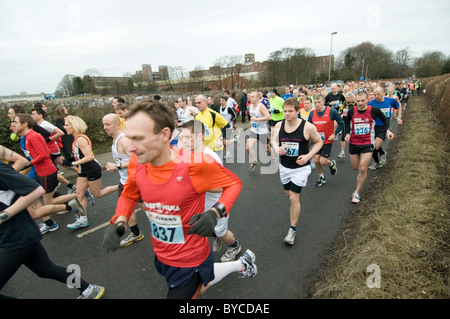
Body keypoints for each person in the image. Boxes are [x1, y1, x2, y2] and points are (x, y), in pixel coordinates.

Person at [102, 100, 256, 299]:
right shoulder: (137, 161)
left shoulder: (194, 164)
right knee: (201, 285)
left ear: (165, 134)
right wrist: (121, 220)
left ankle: (234, 263)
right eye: (129, 138)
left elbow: (234, 183)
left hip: (190, 258)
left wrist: (215, 212)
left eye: (139, 139)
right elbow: (129, 193)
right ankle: (241, 264)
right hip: (161, 252)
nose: (130, 147)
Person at [0, 161, 105, 299]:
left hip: (15, 237)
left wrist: (3, 216)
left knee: (46, 269)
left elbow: (35, 190)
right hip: (21, 235)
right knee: (45, 270)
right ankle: (89, 290)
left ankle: (71, 205)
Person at [180, 120, 242, 262]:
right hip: (199, 206)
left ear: (200, 136)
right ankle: (214, 236)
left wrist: (195, 186)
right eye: (182, 137)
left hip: (216, 207)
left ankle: (234, 246)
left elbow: (223, 187)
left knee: (222, 232)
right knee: (202, 229)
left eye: (188, 137)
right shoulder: (186, 154)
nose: (184, 141)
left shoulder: (211, 158)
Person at [12, 114, 84, 234]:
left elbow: (44, 154)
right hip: (40, 172)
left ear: (25, 124)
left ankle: (77, 197)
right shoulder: (28, 136)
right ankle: (51, 222)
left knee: (48, 201)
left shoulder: (32, 136)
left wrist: (29, 163)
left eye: (16, 122)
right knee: (34, 196)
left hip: (46, 172)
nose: (13, 125)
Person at [271, 98, 323, 245]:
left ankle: (292, 230)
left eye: (290, 111)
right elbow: (274, 141)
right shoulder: (279, 125)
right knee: (288, 195)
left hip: (301, 168)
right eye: (285, 111)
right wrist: (277, 149)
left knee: (294, 198)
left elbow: (319, 142)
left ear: (297, 111)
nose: (286, 114)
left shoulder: (308, 127)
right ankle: (294, 209)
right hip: (285, 167)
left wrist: (308, 156)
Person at [64, 115, 119, 229]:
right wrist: (73, 160)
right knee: (79, 194)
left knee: (98, 194)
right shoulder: (76, 139)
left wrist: (74, 163)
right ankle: (83, 219)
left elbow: (89, 156)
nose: (65, 127)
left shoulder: (81, 139)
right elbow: (81, 155)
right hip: (83, 170)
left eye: (67, 125)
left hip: (92, 168)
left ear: (74, 125)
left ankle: (121, 186)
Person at [102, 114, 144, 247]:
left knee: (146, 207)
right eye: (103, 125)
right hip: (125, 181)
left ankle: (168, 225)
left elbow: (138, 159)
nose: (104, 127)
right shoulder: (116, 140)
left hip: (135, 181)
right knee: (126, 210)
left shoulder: (123, 140)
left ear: (116, 124)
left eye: (107, 124)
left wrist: (118, 165)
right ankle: (135, 232)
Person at [344, 91, 394, 203]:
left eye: (362, 100)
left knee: (362, 168)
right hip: (354, 143)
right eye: (358, 101)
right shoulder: (352, 111)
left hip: (367, 143)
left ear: (367, 100)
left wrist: (388, 130)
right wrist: (347, 133)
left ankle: (356, 192)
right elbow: (347, 123)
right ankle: (357, 189)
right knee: (355, 167)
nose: (360, 103)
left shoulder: (374, 110)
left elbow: (385, 119)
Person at [308, 95, 344, 186]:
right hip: (316, 141)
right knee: (316, 160)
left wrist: (334, 133)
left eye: (319, 102)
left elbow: (341, 123)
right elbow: (308, 126)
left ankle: (331, 163)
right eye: (315, 102)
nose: (317, 104)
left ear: (323, 102)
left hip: (327, 140)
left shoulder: (332, 111)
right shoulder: (312, 113)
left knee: (322, 161)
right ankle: (322, 177)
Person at [367, 86, 402, 170]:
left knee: (374, 147)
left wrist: (399, 117)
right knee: (372, 145)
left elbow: (398, 106)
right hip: (374, 127)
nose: (376, 96)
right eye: (375, 94)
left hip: (384, 127)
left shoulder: (390, 100)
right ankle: (382, 153)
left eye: (378, 94)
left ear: (383, 93)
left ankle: (376, 162)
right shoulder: (371, 104)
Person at [247, 91, 272, 171]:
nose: (250, 98)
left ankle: (272, 156)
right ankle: (254, 161)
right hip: (254, 131)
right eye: (250, 96)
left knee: (267, 148)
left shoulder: (261, 106)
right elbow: (252, 115)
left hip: (262, 132)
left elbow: (268, 117)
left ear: (257, 98)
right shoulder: (250, 106)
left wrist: (257, 119)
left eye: (252, 97)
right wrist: (251, 121)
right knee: (248, 147)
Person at [337, 92, 356, 158]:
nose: (347, 99)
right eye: (346, 98)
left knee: (353, 137)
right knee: (343, 137)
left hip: (352, 122)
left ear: (352, 98)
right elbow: (342, 110)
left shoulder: (354, 104)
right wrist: (341, 114)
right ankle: (342, 152)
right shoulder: (344, 103)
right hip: (344, 122)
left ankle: (354, 151)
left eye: (349, 98)